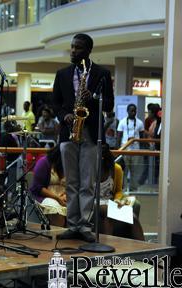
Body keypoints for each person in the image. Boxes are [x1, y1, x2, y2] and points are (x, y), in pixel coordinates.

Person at [53, 33, 114, 242]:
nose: (73, 51)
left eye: (78, 48)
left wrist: (96, 97)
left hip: (91, 134)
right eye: (72, 47)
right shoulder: (62, 74)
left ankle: (85, 227)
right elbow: (55, 104)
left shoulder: (102, 74)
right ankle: (73, 225)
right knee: (71, 182)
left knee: (87, 183)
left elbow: (109, 106)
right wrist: (65, 115)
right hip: (68, 133)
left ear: (88, 50)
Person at [99, 143, 145, 240]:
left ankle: (144, 247)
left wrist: (117, 200)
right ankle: (107, 245)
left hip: (110, 201)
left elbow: (119, 191)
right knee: (109, 213)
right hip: (94, 201)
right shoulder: (89, 169)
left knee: (133, 217)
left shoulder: (116, 169)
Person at [29, 145, 67, 227]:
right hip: (46, 196)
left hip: (65, 196)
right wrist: (57, 198)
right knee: (56, 210)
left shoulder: (70, 163)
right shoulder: (44, 162)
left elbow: (75, 184)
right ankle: (57, 236)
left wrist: (66, 195)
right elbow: (37, 187)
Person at [116, 103, 145, 191]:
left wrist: (142, 150)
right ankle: (123, 189)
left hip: (136, 150)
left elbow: (142, 137)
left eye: (135, 110)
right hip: (125, 150)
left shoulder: (140, 122)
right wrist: (118, 151)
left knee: (134, 171)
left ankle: (133, 188)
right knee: (124, 171)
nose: (133, 112)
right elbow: (118, 136)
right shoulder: (122, 122)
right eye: (131, 110)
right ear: (127, 111)